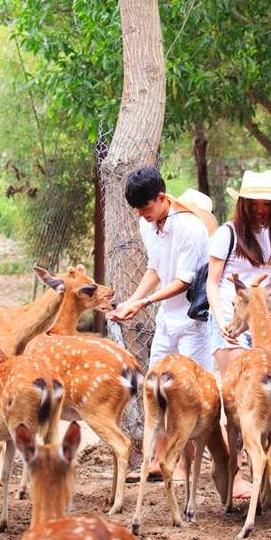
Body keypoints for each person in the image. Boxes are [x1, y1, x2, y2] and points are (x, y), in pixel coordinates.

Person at [109, 169, 214, 482]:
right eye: (138, 210)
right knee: (155, 390)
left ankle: (185, 465)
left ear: (162, 197)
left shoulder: (191, 228)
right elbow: (155, 269)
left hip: (194, 322)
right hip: (166, 319)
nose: (142, 214)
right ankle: (160, 460)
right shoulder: (147, 223)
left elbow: (184, 280)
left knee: (189, 395)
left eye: (146, 207)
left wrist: (144, 303)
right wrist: (132, 300)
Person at [206, 169, 271, 372]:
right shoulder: (227, 234)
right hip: (229, 317)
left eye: (266, 204)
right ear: (243, 204)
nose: (260, 210)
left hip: (258, 323)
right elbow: (212, 284)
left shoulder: (270, 235)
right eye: (253, 203)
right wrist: (221, 321)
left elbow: (263, 281)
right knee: (239, 386)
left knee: (258, 388)